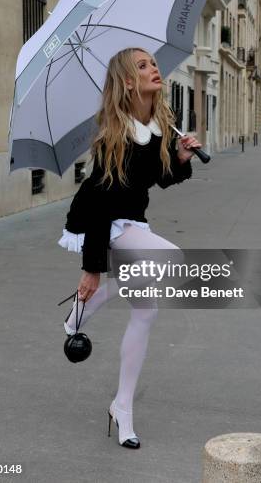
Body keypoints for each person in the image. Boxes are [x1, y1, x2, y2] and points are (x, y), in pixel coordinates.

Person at [58, 47, 201, 449]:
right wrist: (93, 268)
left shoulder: (156, 125)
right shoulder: (113, 134)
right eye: (143, 66)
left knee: (146, 312)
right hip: (102, 222)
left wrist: (181, 157)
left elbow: (158, 179)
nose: (154, 68)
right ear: (126, 81)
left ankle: (123, 407)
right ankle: (81, 307)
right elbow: (101, 203)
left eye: (153, 63)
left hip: (132, 221)